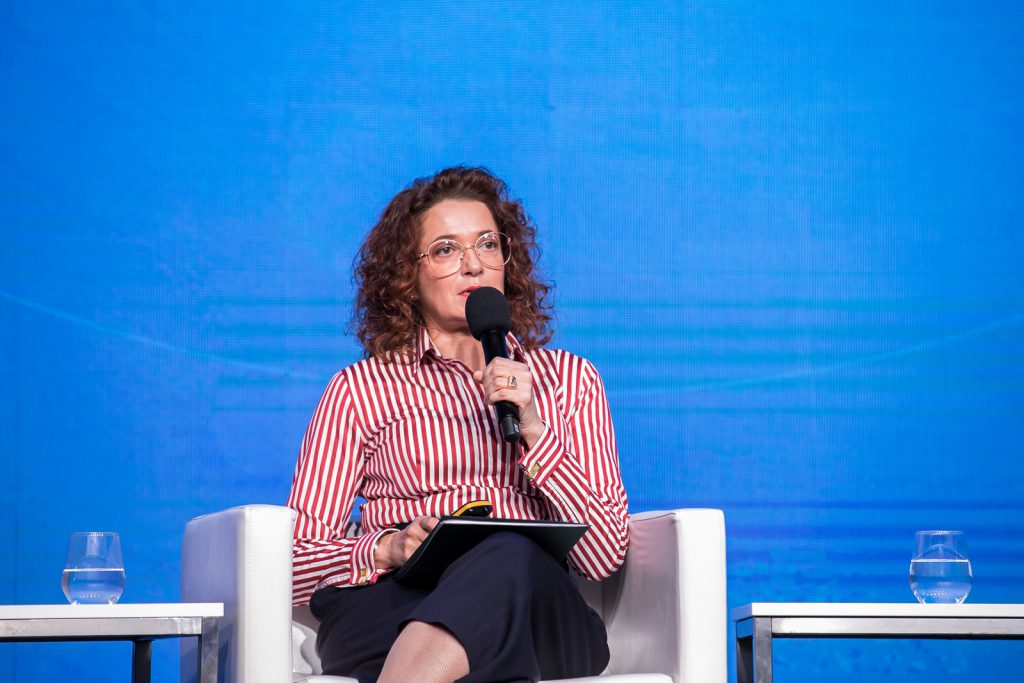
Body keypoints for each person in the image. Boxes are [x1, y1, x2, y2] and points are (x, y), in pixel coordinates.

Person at [286, 166, 630, 683]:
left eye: (488, 245)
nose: (473, 265)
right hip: (397, 600)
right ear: (406, 276)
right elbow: (293, 562)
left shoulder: (570, 380)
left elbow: (602, 556)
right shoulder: (359, 389)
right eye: (446, 250)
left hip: (535, 601)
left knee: (508, 556)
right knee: (481, 627)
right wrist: (386, 547)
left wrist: (534, 429)